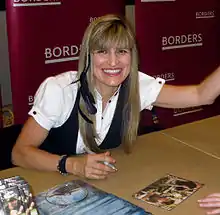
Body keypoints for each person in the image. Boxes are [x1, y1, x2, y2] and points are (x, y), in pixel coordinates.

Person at [12, 14, 220, 180]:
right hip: (50, 181)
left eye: (122, 51)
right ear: (88, 55)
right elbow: (19, 153)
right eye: (102, 51)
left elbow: (201, 94)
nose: (113, 62)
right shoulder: (60, 90)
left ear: (132, 55)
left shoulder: (137, 85)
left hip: (107, 184)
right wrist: (72, 165)